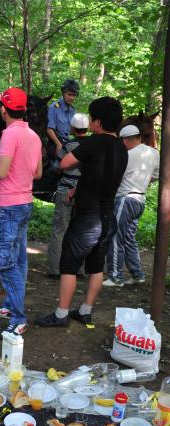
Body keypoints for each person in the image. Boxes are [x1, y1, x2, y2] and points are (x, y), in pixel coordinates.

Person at [35, 96, 128, 328]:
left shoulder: (93, 142)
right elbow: (103, 176)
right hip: (107, 215)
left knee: (69, 264)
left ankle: (61, 314)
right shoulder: (122, 148)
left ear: (97, 123)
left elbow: (65, 163)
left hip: (87, 218)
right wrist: (80, 187)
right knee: (96, 266)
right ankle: (85, 311)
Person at [0, 87, 42, 336]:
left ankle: (18, 316)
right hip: (25, 202)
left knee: (5, 262)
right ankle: (9, 306)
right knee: (19, 259)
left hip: (9, 206)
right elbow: (37, 173)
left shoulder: (8, 135)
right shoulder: (33, 136)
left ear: (4, 110)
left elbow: (1, 172)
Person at [104, 124, 160, 287]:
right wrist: (142, 181)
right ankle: (137, 274)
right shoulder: (153, 153)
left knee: (115, 237)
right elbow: (156, 175)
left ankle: (115, 276)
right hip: (140, 200)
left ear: (127, 140)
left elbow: (115, 177)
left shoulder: (126, 155)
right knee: (129, 238)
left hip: (125, 199)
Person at [47, 112, 89, 279]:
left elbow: (58, 168)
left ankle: (55, 269)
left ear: (73, 128)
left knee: (59, 231)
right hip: (85, 193)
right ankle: (78, 270)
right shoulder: (93, 145)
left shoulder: (68, 146)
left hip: (65, 192)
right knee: (81, 232)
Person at [46, 79, 79, 156]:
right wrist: (58, 144)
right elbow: (49, 129)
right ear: (63, 93)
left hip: (68, 142)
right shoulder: (54, 107)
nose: (72, 98)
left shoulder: (72, 110)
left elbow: (72, 131)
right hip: (55, 143)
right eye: (69, 94)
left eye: (74, 95)